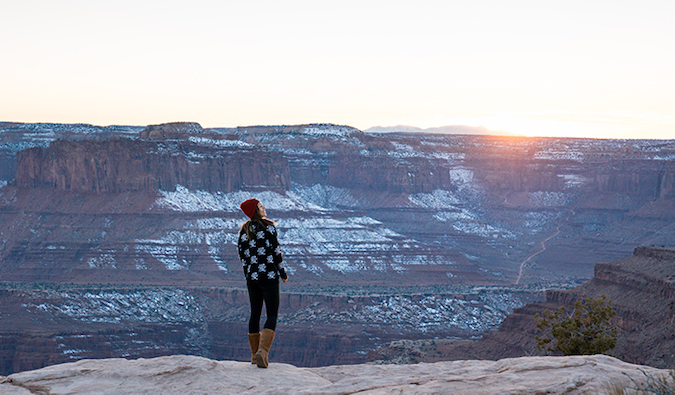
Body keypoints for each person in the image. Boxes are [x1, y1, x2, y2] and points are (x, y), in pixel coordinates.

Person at [238, 198, 288, 368]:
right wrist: (282, 273)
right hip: (269, 276)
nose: (264, 208)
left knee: (255, 314)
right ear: (255, 210)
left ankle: (253, 356)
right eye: (260, 206)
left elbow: (243, 258)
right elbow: (276, 251)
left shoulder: (244, 230)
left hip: (252, 278)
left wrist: (249, 276)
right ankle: (263, 352)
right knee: (272, 314)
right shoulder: (269, 228)